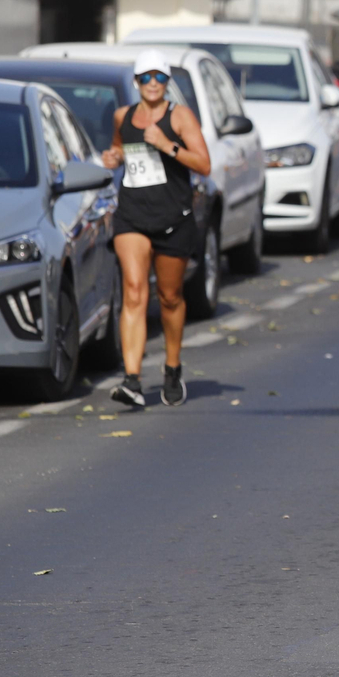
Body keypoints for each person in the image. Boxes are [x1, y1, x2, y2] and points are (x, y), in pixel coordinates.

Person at [102, 50, 213, 409]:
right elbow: (120, 145)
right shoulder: (124, 116)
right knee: (135, 291)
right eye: (146, 77)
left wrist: (168, 145)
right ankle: (132, 380)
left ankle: (172, 368)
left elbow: (204, 163)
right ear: (136, 82)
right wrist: (114, 156)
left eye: (160, 77)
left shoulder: (179, 116)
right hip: (132, 214)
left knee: (169, 296)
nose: (153, 83)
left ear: (168, 83)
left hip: (173, 217)